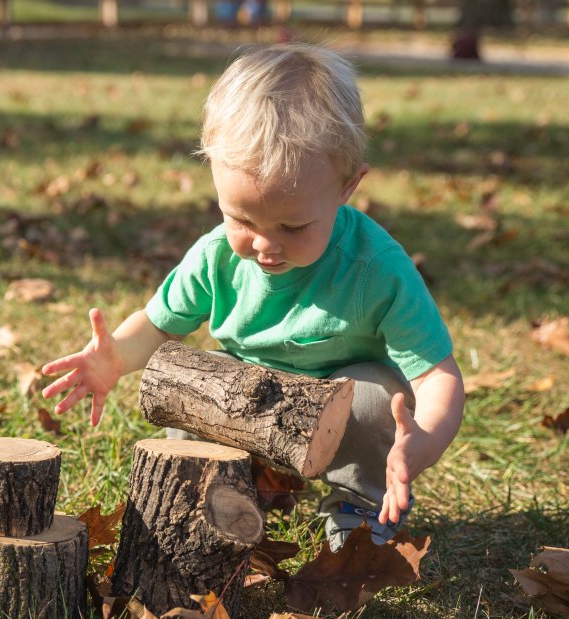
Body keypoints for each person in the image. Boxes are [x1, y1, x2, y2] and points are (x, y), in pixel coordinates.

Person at [41, 43, 465, 551]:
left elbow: (436, 375)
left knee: (377, 397)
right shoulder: (216, 256)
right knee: (189, 380)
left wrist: (427, 438)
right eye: (241, 218)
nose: (264, 245)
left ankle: (360, 506)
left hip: (338, 409)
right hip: (245, 400)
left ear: (347, 187)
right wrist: (115, 359)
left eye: (293, 225)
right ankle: (219, 497)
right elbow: (158, 327)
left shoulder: (377, 269)